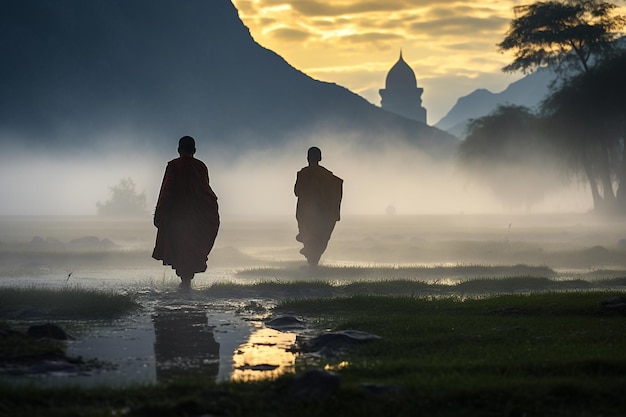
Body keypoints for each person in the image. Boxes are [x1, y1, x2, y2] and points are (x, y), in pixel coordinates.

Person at [152, 136, 220, 290]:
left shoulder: (174, 166)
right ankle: (186, 284)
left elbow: (166, 190)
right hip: (197, 216)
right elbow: (204, 191)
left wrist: (160, 212)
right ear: (194, 150)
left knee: (181, 248)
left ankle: (185, 284)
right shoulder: (201, 166)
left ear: (178, 150)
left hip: (178, 217)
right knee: (192, 248)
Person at [294, 146, 343, 267]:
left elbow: (297, 192)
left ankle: (311, 261)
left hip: (306, 213)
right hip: (323, 213)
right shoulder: (327, 175)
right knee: (320, 238)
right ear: (320, 158)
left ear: (307, 158)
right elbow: (336, 191)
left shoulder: (303, 174)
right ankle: (312, 262)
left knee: (309, 236)